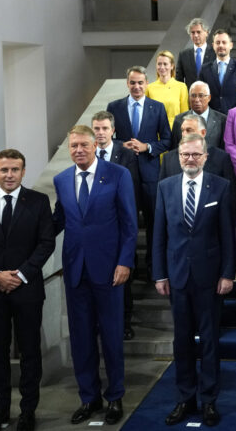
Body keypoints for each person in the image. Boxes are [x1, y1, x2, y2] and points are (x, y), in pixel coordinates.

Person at [53, 125, 137, 426]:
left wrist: (125, 262)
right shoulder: (61, 180)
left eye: (83, 145)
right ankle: (88, 397)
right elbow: (58, 222)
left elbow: (129, 224)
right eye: (73, 146)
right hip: (76, 272)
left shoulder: (117, 174)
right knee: (81, 339)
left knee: (112, 337)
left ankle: (115, 396)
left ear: (95, 145)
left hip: (110, 270)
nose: (78, 150)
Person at [0, 149, 55, 431]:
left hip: (27, 290)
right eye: (4, 170)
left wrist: (22, 274)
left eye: (15, 169)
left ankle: (28, 410)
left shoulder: (39, 202)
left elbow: (46, 243)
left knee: (30, 352)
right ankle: (0, 409)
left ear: (23, 171)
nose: (9, 175)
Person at [154, 133, 236, 428]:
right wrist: (159, 273)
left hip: (211, 278)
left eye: (195, 155)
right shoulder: (165, 187)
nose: (190, 159)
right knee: (182, 341)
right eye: (185, 155)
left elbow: (228, 234)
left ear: (205, 157)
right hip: (177, 277)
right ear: (178, 157)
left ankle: (209, 400)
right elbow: (159, 235)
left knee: (211, 341)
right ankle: (185, 398)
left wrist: (228, 273)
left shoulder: (222, 186)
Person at [106, 65, 171, 278]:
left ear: (146, 83)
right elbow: (108, 139)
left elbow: (168, 141)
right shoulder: (114, 107)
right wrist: (120, 145)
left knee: (154, 222)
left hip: (151, 174)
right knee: (127, 220)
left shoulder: (157, 107)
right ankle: (128, 265)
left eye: (140, 82)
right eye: (132, 82)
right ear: (127, 83)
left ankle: (154, 266)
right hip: (124, 174)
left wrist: (148, 147)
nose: (136, 86)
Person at [92, 110, 141, 339]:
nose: (100, 133)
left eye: (104, 128)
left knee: (124, 280)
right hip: (97, 228)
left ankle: (125, 323)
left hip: (120, 224)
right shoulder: (89, 154)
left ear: (113, 130)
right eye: (97, 129)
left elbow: (132, 188)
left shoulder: (125, 153)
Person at [199, 29, 236, 115]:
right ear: (213, 45)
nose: (221, 45)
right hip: (211, 118)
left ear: (231, 45)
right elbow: (200, 94)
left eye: (224, 42)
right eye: (218, 42)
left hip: (235, 117)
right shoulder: (205, 69)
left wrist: (234, 112)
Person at [171, 81, 227, 150]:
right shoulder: (179, 120)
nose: (197, 100)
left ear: (209, 98)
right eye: (193, 96)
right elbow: (173, 150)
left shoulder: (222, 120)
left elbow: (224, 149)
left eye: (201, 95)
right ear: (189, 97)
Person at [145, 50, 190, 130]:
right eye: (159, 64)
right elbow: (146, 115)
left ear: (172, 66)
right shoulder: (149, 88)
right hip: (155, 133)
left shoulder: (181, 87)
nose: (162, 67)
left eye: (165, 64)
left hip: (175, 132)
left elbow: (185, 116)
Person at [176, 18, 216, 88]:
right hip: (190, 96)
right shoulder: (183, 55)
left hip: (211, 96)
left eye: (198, 32)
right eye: (193, 32)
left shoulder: (215, 53)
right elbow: (179, 81)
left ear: (206, 33)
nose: (195, 35)